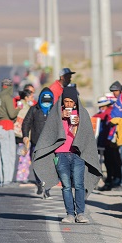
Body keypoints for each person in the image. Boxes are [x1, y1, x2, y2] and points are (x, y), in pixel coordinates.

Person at [33, 87, 102, 224]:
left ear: (76, 102)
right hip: (61, 154)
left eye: (71, 101)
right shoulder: (56, 113)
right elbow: (49, 133)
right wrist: (61, 118)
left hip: (77, 155)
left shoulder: (82, 114)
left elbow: (87, 136)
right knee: (65, 185)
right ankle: (70, 214)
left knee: (79, 184)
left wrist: (78, 125)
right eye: (66, 101)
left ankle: (80, 214)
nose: (69, 104)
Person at [22, 87, 54, 198]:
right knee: (36, 165)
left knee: (50, 167)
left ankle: (48, 187)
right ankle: (39, 183)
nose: (46, 104)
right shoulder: (34, 109)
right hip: (36, 142)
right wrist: (25, 135)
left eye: (48, 101)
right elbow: (26, 123)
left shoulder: (55, 110)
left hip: (50, 144)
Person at [0, 78, 21, 187]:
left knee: (1, 154)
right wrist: (19, 108)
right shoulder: (7, 97)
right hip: (7, 127)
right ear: (10, 87)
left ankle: (3, 180)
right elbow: (12, 114)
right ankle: (8, 180)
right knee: (10, 154)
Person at [93, 96, 121, 191]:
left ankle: (111, 181)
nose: (101, 108)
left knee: (112, 162)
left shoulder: (109, 112)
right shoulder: (106, 112)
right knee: (109, 162)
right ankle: (110, 181)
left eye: (102, 106)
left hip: (110, 142)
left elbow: (99, 117)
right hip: (106, 142)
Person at [14, 89, 35, 184]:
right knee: (24, 157)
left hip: (23, 135)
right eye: (31, 96)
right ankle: (21, 176)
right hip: (23, 136)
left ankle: (23, 175)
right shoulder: (23, 106)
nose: (32, 98)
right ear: (26, 97)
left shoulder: (25, 105)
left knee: (25, 156)